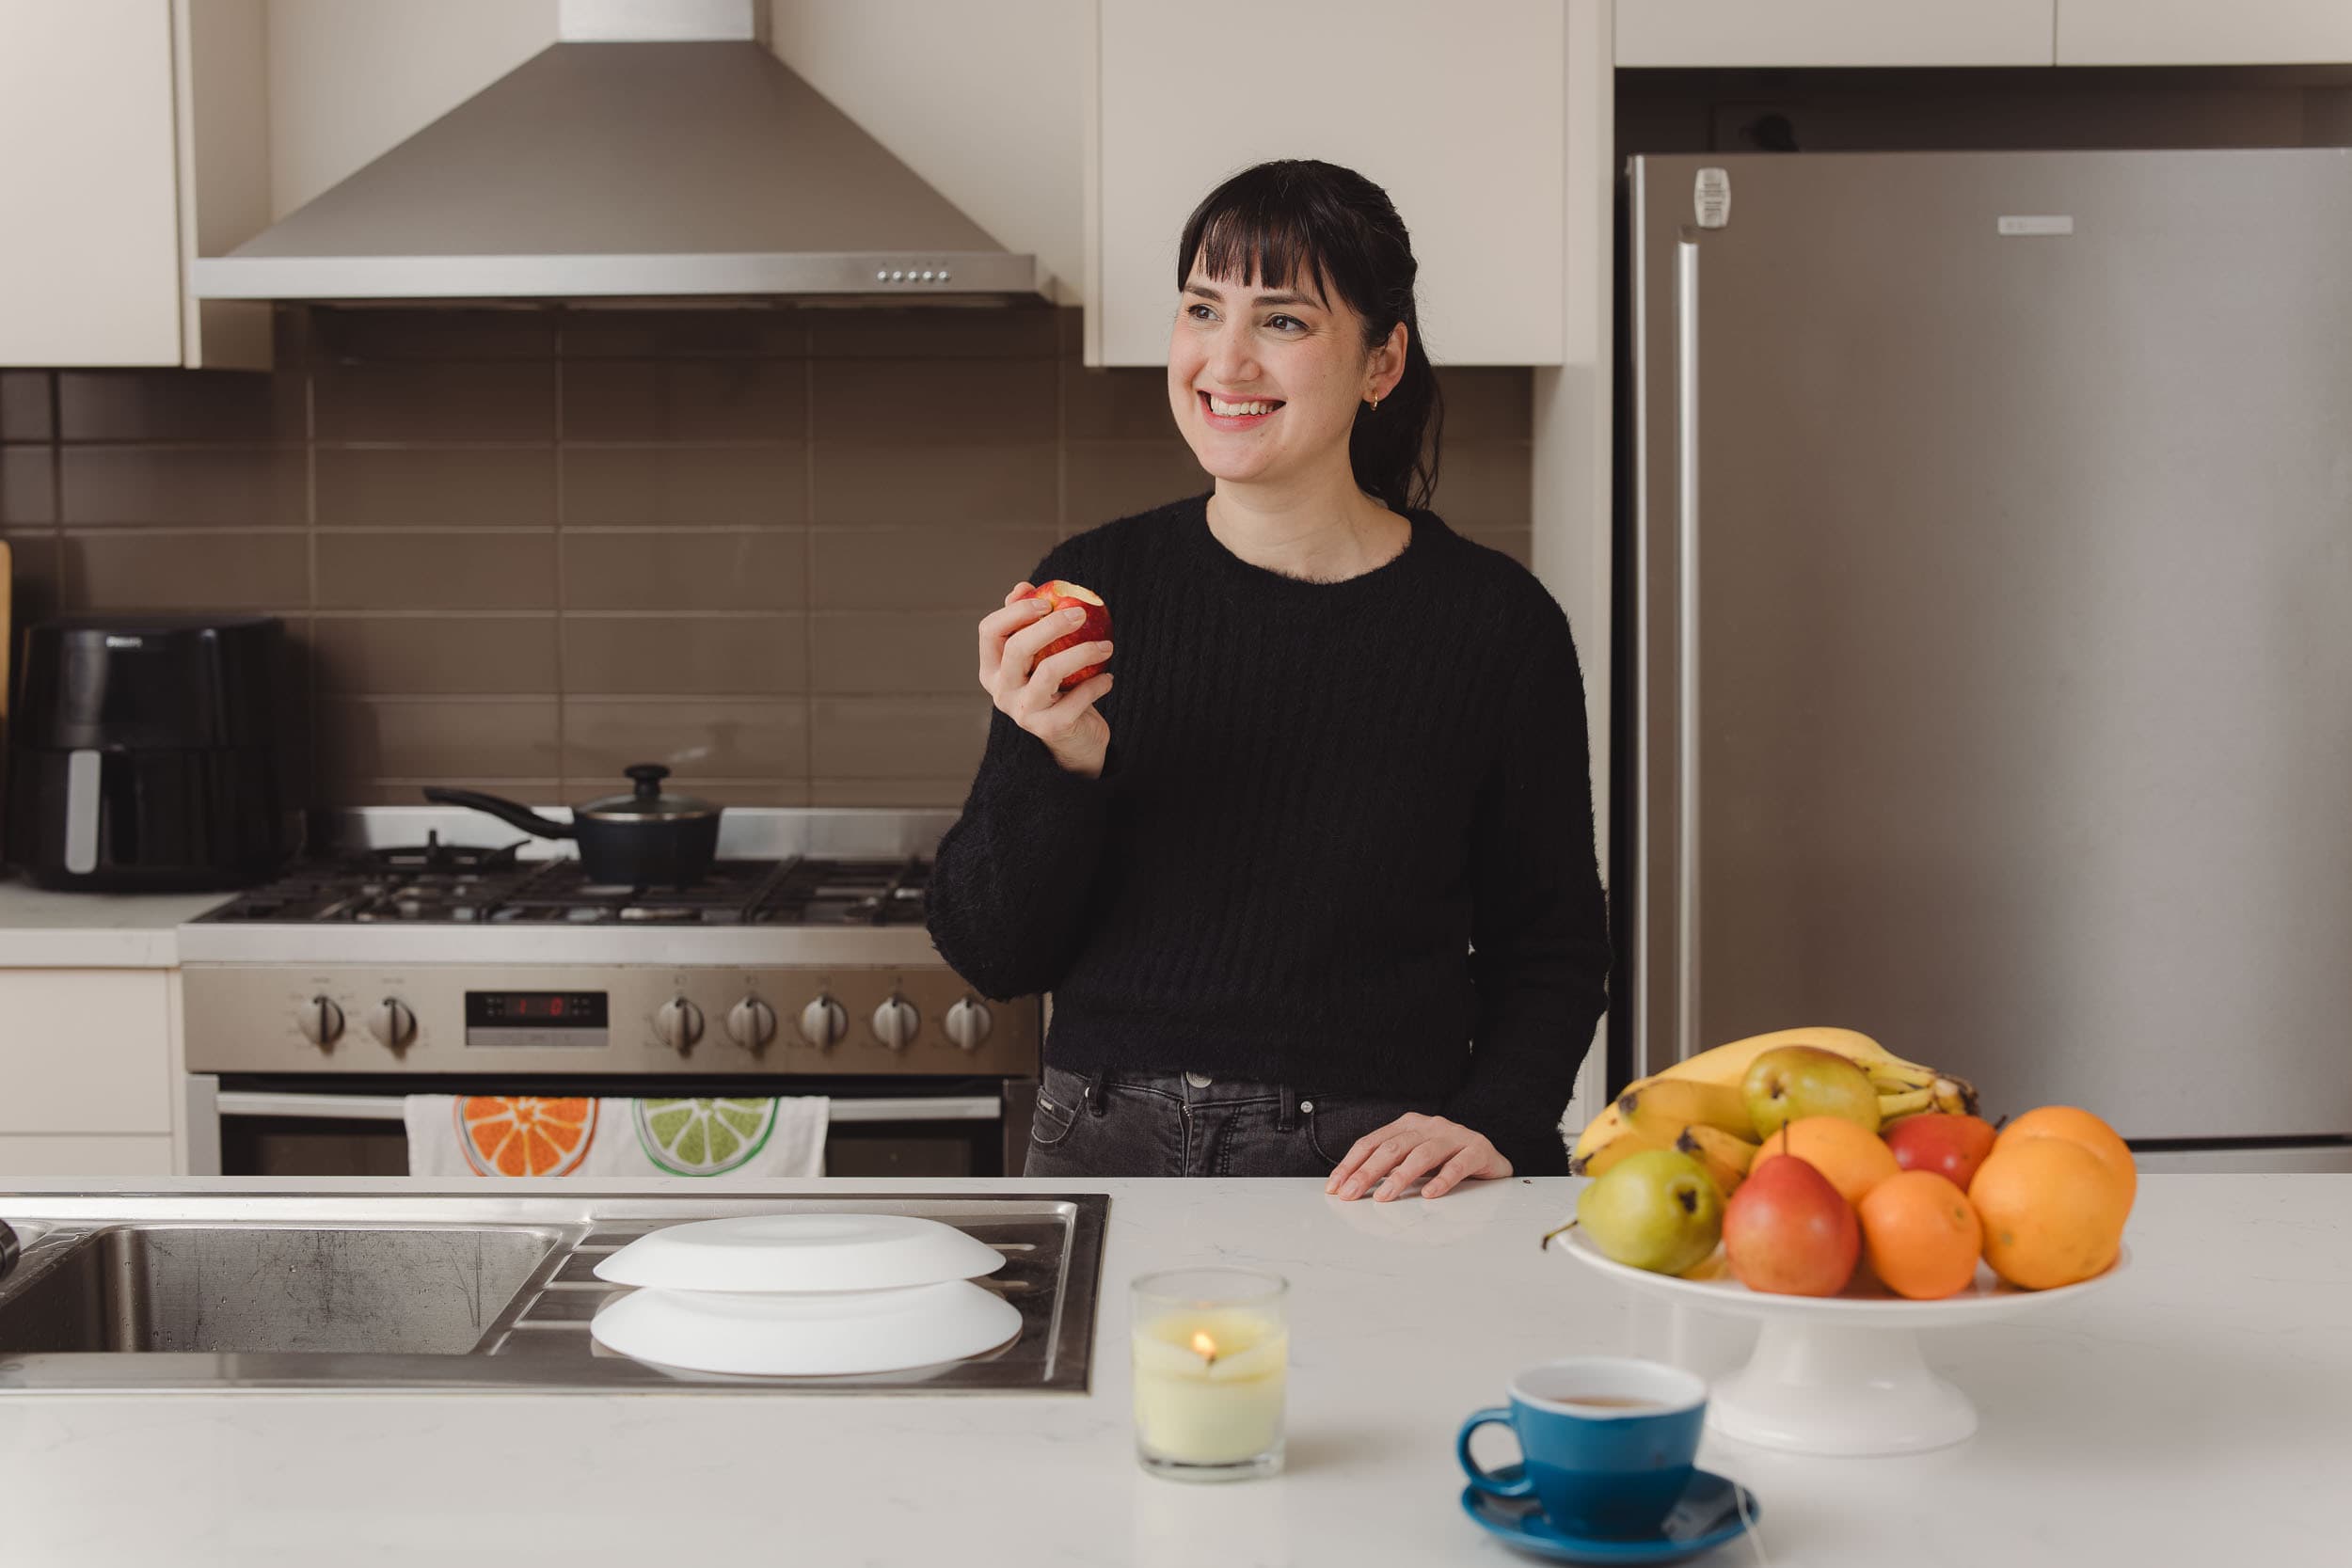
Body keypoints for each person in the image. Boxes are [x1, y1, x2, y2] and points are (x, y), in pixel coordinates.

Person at [925, 158, 1609, 1200]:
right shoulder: (1094, 589)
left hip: (1371, 1164)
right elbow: (991, 951)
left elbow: (1553, 942)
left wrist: (1496, 1118)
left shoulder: (1495, 625)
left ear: (1381, 363)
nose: (1224, 359)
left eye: (1281, 322)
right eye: (1203, 308)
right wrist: (1055, 765)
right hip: (1099, 1138)